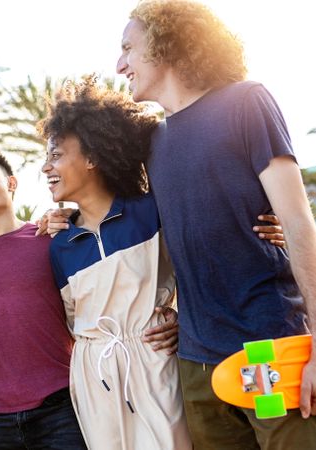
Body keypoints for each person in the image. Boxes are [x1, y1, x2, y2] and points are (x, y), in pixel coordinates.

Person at [114, 0, 316, 448]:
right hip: (196, 364)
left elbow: (299, 224)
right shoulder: (153, 142)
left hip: (266, 350)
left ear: (165, 43)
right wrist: (59, 216)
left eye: (128, 47)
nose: (119, 63)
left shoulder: (246, 102)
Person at [0, 141, 180, 449]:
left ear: (11, 183)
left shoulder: (53, 240)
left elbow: (111, 288)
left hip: (62, 406)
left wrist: (170, 315)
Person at [38, 77, 192, 450]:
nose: (45, 168)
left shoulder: (150, 212)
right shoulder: (60, 245)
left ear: (92, 157)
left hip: (155, 362)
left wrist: (181, 322)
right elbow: (72, 319)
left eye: (56, 155)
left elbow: (194, 271)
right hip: (95, 377)